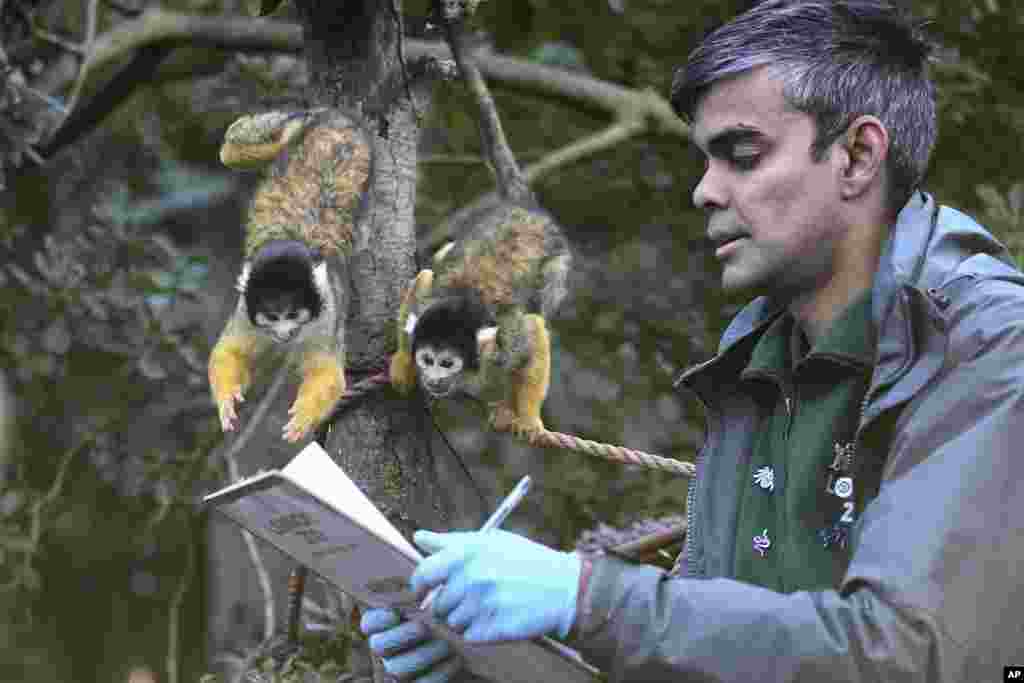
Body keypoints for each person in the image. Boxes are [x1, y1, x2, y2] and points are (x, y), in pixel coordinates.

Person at [361, 1, 1024, 680]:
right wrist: (492, 650)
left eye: (742, 155)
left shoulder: (990, 348)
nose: (705, 191)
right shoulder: (757, 355)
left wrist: (583, 597)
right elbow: (734, 656)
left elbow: (905, 656)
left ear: (857, 155)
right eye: (705, 161)